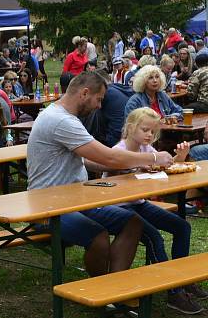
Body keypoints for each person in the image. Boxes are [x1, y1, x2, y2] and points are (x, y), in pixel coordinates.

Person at [28, 70, 174, 281]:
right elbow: (110, 158)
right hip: (48, 206)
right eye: (99, 99)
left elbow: (85, 159)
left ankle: (115, 286)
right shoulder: (61, 121)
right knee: (98, 236)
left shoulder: (64, 116)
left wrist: (128, 167)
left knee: (133, 221)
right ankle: (102, 290)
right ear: (85, 93)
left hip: (75, 199)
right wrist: (152, 159)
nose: (99, 106)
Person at [106, 107, 207, 313]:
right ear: (130, 127)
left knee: (182, 227)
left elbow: (166, 170)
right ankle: (174, 292)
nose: (149, 135)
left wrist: (180, 157)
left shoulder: (147, 150)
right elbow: (117, 174)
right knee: (155, 238)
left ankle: (183, 278)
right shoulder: (119, 150)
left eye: (153, 132)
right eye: (145, 130)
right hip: (119, 208)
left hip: (138, 204)